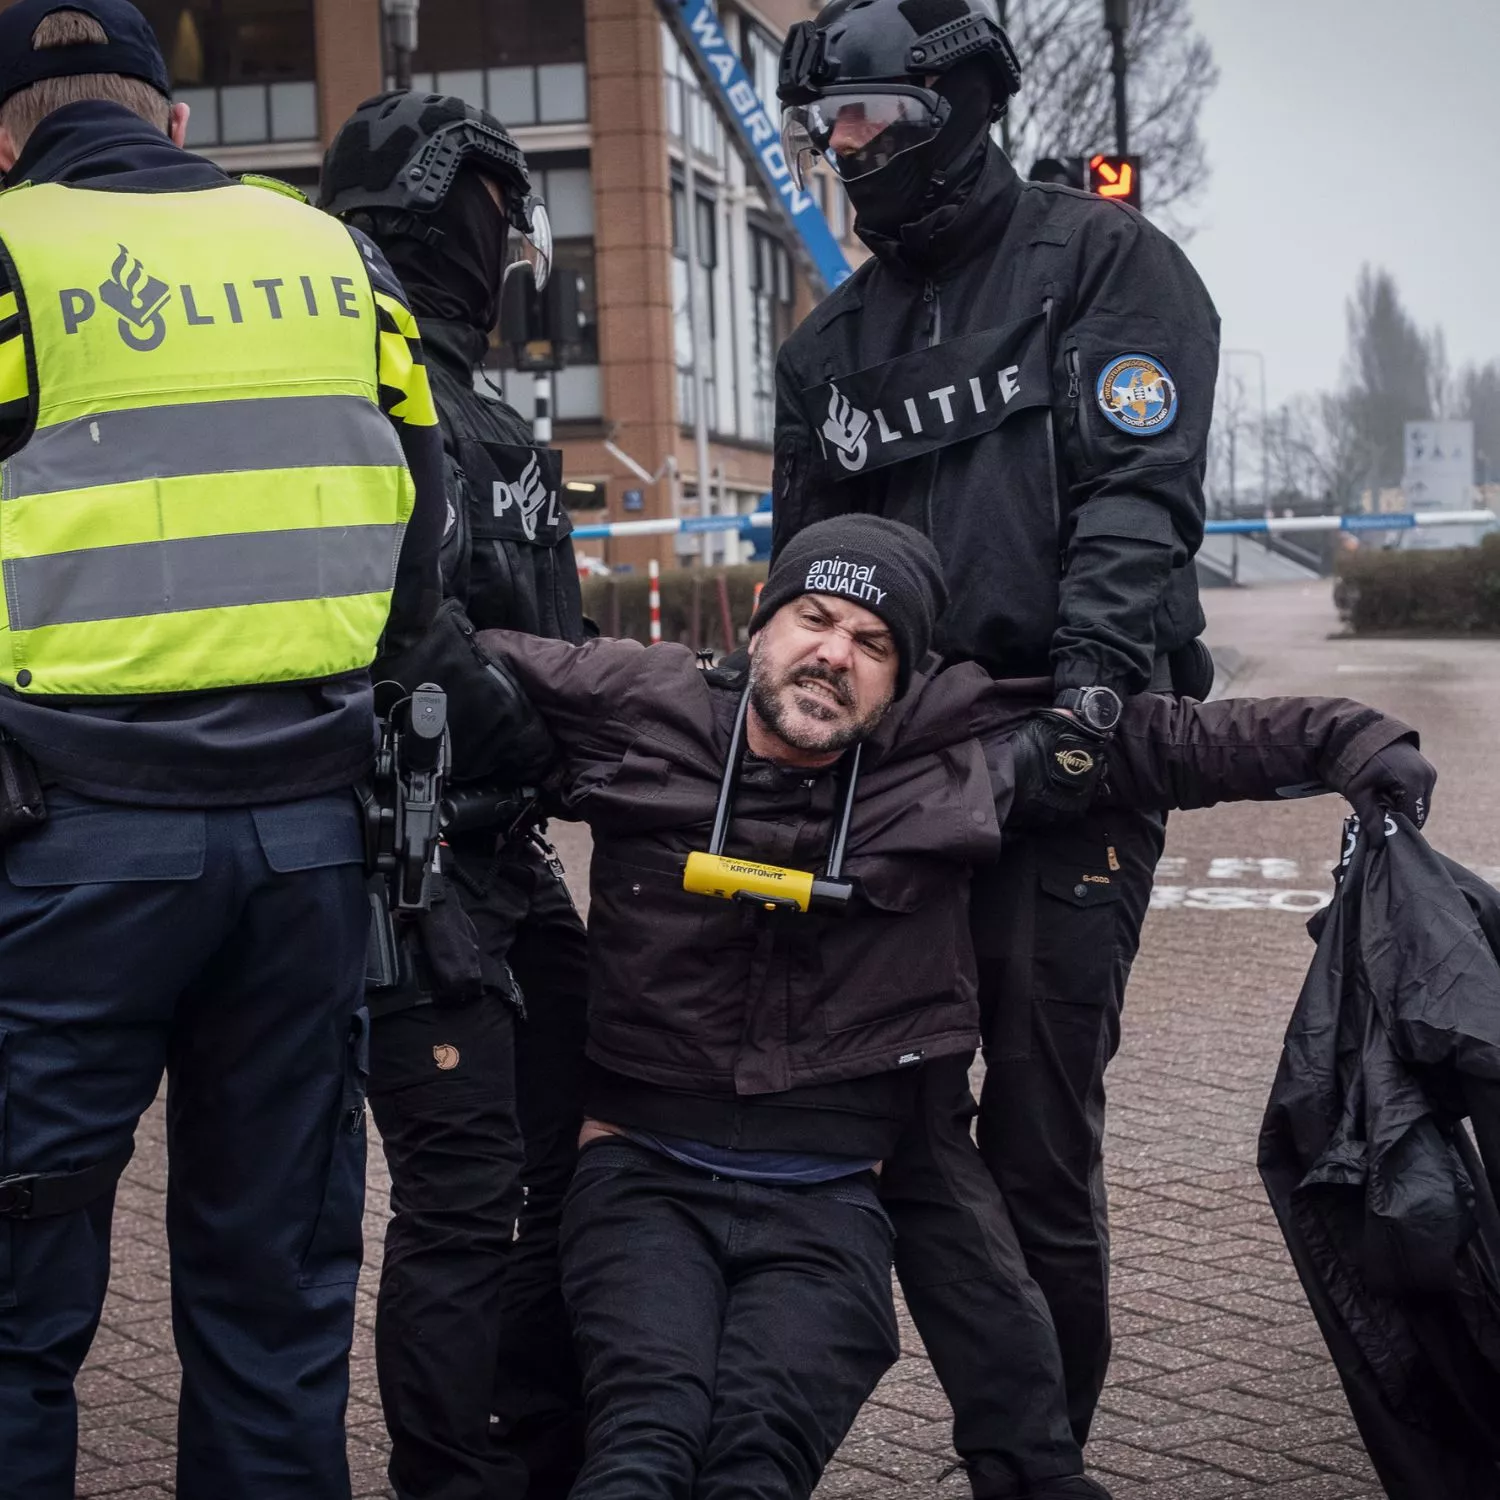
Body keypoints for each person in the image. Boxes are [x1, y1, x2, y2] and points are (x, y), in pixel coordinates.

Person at [469, 513, 1436, 1500]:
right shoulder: (641, 701)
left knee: (776, 1450)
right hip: (645, 1163)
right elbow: (464, 659)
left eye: (874, 642)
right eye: (814, 617)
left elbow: (1175, 743)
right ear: (760, 628)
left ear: (902, 682)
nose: (835, 653)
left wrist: (1355, 742)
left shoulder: (949, 748)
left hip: (846, 1165)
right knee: (644, 1437)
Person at [0, 4, 457, 1497]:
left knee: (13, 1312)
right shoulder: (334, 254)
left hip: (59, 851)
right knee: (274, 1304)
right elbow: (425, 520)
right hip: (304, 853)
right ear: (171, 118)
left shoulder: (10, 255)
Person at [773, 0, 1230, 1484]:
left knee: (1035, 1145)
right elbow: (803, 570)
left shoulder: (1107, 265)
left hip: (1063, 758)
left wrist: (1096, 703)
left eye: (866, 121)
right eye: (824, 129)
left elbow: (1136, 507)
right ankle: (1013, 1444)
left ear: (955, 102)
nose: (844, 154)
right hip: (895, 779)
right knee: (900, 1132)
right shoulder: (829, 341)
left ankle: (1037, 1468)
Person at [319, 93, 590, 1500]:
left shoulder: (488, 411)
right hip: (400, 862)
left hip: (512, 856)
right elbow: (398, 632)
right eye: (498, 205)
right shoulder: (345, 393)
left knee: (579, 1159)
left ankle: (544, 1442)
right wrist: (548, 735)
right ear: (437, 200)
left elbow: (565, 645)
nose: (512, 239)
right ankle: (452, 1477)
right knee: (462, 1197)